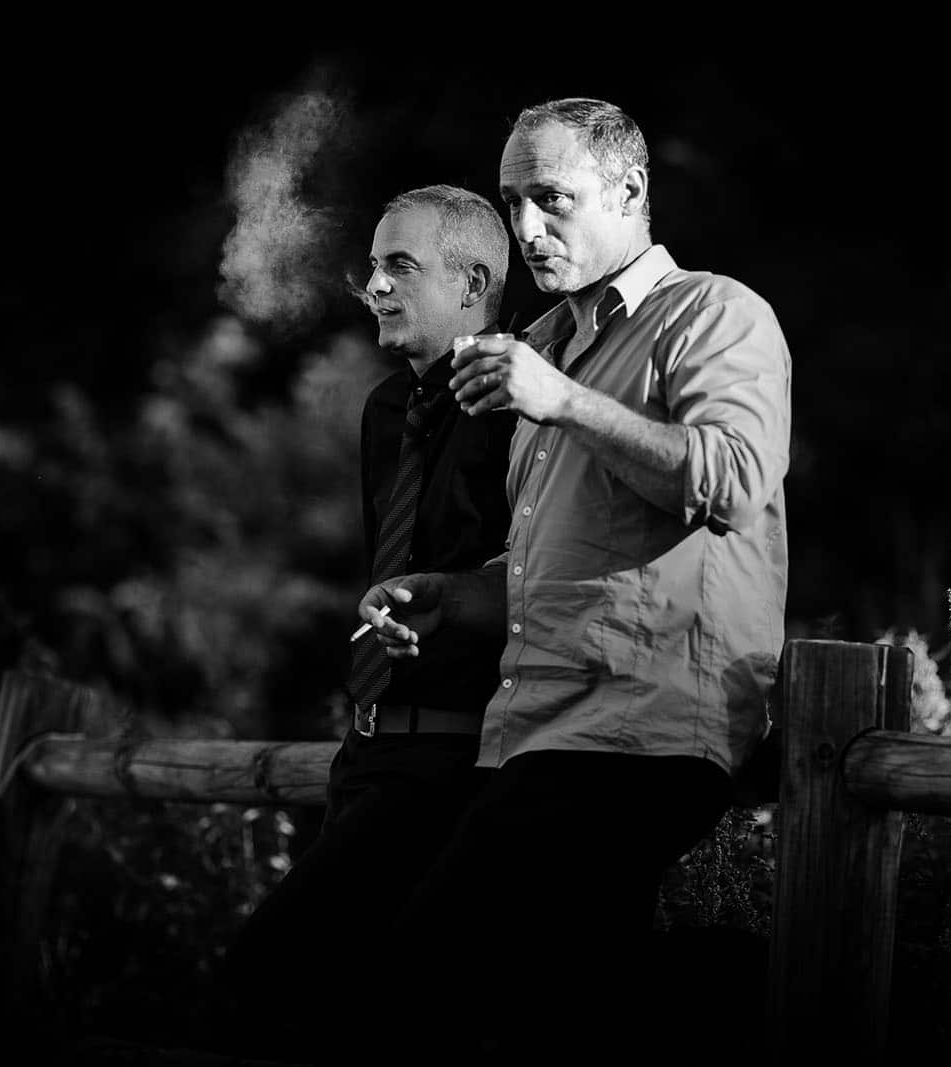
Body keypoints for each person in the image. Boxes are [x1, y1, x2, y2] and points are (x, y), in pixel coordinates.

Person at [357, 98, 792, 1061]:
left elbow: (733, 476)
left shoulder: (716, 313)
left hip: (647, 724)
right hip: (533, 728)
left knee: (417, 979)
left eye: (551, 199)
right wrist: (455, 597)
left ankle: (775, 992)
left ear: (630, 188)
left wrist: (561, 402)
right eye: (513, 202)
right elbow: (553, 557)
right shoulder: (546, 345)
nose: (525, 230)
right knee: (549, 1006)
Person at [219, 184, 514, 1060]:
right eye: (374, 266)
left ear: (472, 283)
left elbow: (535, 578)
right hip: (368, 744)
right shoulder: (386, 409)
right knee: (355, 1010)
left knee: (263, 975)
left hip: (456, 758)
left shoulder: (521, 402)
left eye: (400, 266)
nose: (374, 286)